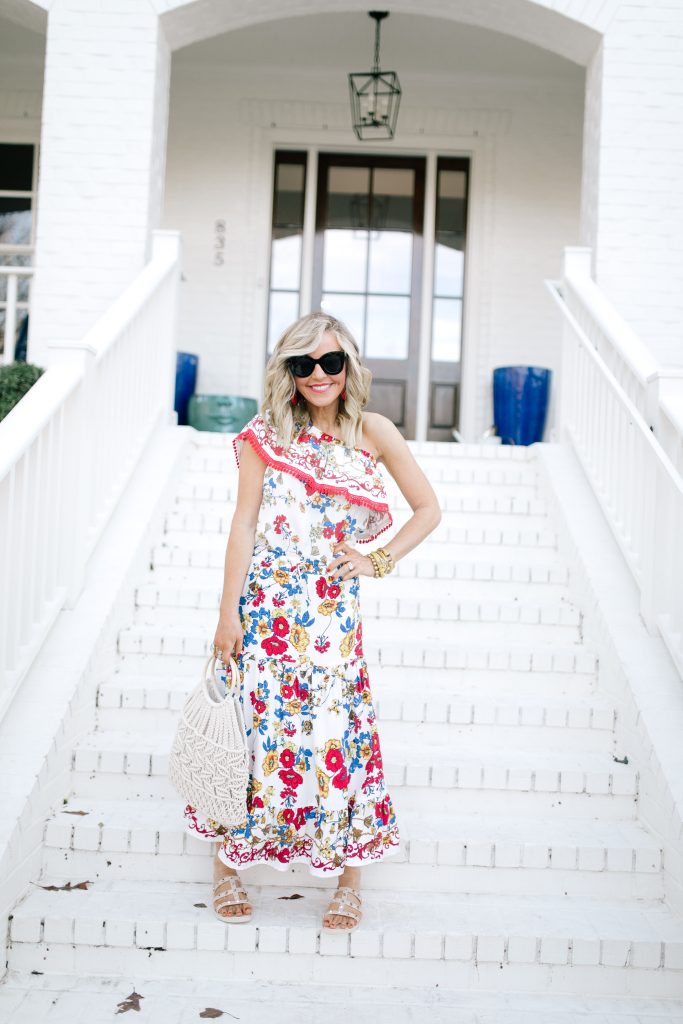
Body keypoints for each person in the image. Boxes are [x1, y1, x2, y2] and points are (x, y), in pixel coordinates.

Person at [183, 311, 441, 930]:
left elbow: (428, 509)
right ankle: (228, 865)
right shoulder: (263, 435)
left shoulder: (373, 431)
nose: (319, 375)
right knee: (254, 738)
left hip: (331, 619)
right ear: (288, 372)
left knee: (339, 740)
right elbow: (243, 526)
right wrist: (226, 616)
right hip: (266, 613)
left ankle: (348, 881)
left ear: (348, 364)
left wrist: (377, 558)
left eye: (331, 362)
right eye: (304, 364)